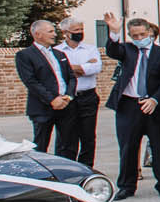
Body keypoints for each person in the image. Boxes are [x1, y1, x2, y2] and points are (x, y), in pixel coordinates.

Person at [100, 12, 160, 199]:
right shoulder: (127, 50)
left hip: (154, 105)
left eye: (142, 35)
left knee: (159, 145)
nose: (139, 39)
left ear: (149, 32)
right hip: (129, 104)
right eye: (134, 36)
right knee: (128, 146)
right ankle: (127, 185)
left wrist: (155, 100)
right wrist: (114, 33)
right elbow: (112, 51)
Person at [15, 19, 76, 156]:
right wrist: (52, 99)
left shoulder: (60, 54)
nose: (54, 34)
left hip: (65, 106)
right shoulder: (25, 55)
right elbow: (31, 82)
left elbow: (71, 77)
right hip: (42, 108)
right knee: (41, 146)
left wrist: (68, 96)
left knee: (67, 145)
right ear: (38, 34)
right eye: (50, 31)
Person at [58, 14, 104, 167]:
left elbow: (96, 68)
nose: (80, 32)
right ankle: (67, 168)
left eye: (81, 29)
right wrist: (84, 66)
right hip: (68, 98)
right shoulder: (57, 51)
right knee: (67, 136)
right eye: (76, 29)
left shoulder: (90, 49)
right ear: (66, 32)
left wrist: (72, 67)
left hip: (88, 96)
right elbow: (59, 72)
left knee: (88, 136)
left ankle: (86, 168)